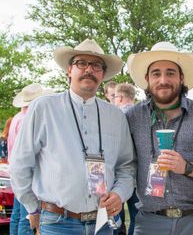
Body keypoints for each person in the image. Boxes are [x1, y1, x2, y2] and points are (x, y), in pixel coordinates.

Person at [10, 39, 136, 235]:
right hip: (57, 222)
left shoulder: (116, 117)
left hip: (102, 222)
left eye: (96, 65)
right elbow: (20, 163)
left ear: (102, 73)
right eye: (81, 63)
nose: (89, 70)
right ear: (69, 69)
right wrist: (33, 208)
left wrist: (119, 194)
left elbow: (126, 166)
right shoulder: (44, 108)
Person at [125, 42, 193, 235]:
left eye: (170, 73)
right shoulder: (133, 118)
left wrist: (188, 167)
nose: (163, 80)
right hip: (149, 221)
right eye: (156, 73)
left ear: (181, 78)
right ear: (147, 79)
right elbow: (125, 163)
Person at [8, 83, 53, 235]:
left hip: (15, 172)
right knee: (28, 218)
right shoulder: (28, 118)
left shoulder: (16, 118)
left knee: (17, 215)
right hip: (29, 173)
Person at [113, 82, 139, 235]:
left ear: (121, 97)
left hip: (120, 174)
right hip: (139, 175)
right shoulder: (142, 114)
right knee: (137, 217)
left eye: (115, 97)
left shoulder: (117, 116)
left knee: (116, 217)